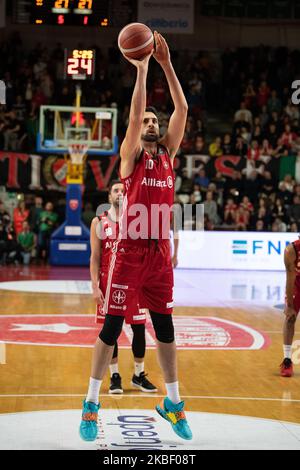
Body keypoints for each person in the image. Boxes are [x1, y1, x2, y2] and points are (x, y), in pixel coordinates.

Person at [80, 31, 192, 442]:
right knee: (111, 329)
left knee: (166, 329)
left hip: (159, 252)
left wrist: (165, 62)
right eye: (145, 119)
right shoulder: (131, 157)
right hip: (128, 252)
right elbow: (134, 116)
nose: (149, 122)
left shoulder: (167, 153)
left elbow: (182, 106)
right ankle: (91, 406)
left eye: (154, 121)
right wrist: (143, 69)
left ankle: (173, 404)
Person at [91, 180, 157, 394]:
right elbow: (95, 257)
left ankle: (139, 374)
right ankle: (115, 375)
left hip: (135, 283)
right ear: (109, 195)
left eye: (123, 190)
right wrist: (94, 286)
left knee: (139, 328)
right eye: (116, 190)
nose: (120, 193)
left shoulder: (137, 221)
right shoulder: (99, 221)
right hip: (109, 284)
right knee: (112, 330)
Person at [280, 238, 300, 377]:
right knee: (290, 318)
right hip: (297, 284)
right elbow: (290, 278)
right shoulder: (291, 251)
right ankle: (287, 359)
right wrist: (289, 306)